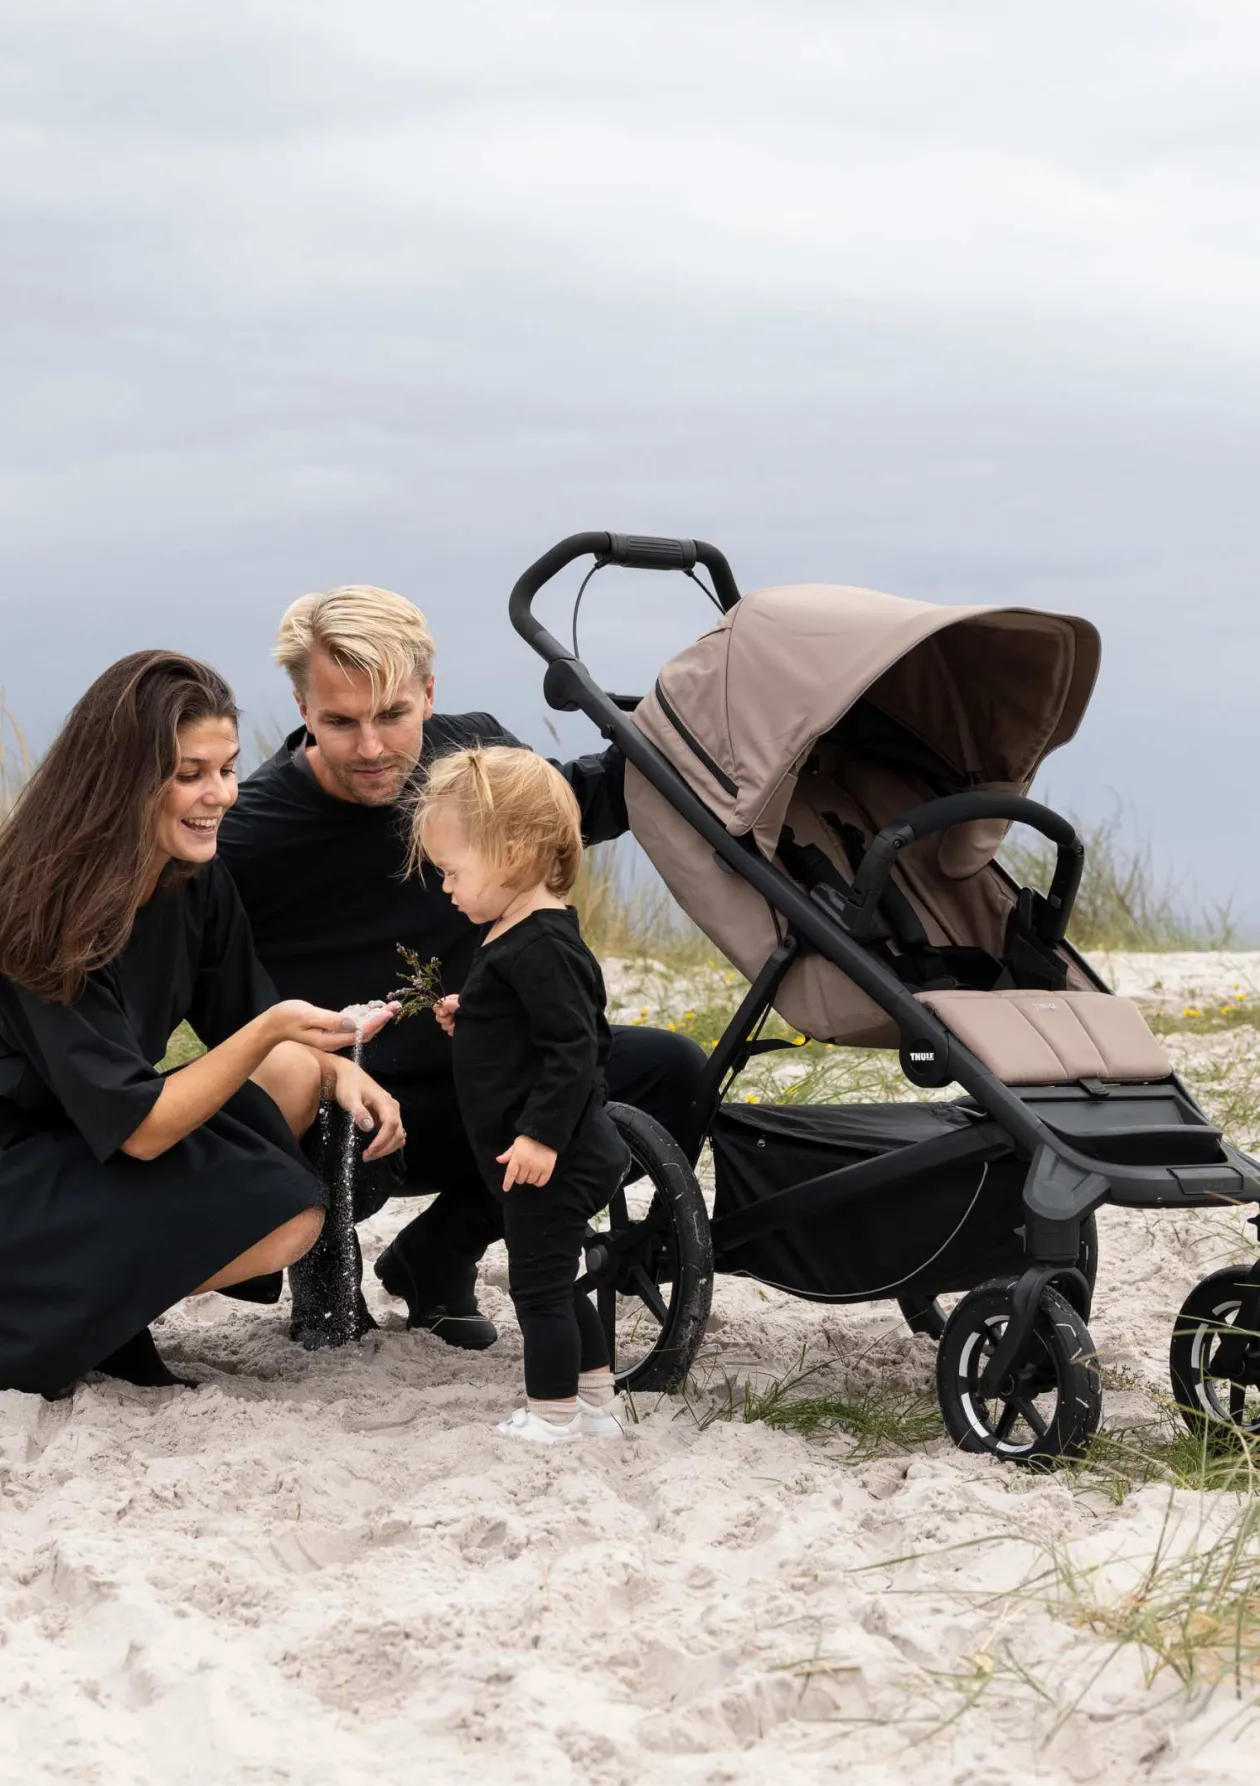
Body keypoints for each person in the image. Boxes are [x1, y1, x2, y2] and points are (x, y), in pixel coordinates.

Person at [218, 586, 705, 1348]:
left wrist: (702, 719)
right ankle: (326, 1283)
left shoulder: (474, 761)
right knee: (319, 1115)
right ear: (302, 707)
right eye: (341, 721)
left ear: (428, 693)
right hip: (357, 1107)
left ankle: (439, 1255)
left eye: (392, 714)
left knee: (671, 1074)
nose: (371, 747)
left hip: (494, 1081)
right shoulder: (247, 834)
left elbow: (579, 802)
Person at [0, 651, 403, 1395]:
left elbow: (246, 1017)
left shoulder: (190, 876)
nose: (220, 795)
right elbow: (143, 1128)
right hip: (21, 1171)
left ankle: (103, 1309)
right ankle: (54, 1314)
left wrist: (338, 1065)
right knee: (287, 1219)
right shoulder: (41, 906)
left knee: (296, 1072)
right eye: (190, 774)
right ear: (123, 778)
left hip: (86, 1142)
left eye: (227, 768)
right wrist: (273, 1030)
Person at [418, 746, 626, 1442]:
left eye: (453, 871)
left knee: (537, 1290)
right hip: (546, 1153)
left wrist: (539, 1136)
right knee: (556, 1279)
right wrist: (472, 1014)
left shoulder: (541, 945)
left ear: (512, 854)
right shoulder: (515, 933)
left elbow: (576, 1048)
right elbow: (527, 1030)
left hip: (554, 1156)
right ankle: (596, 1407)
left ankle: (552, 1416)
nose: (445, 887)